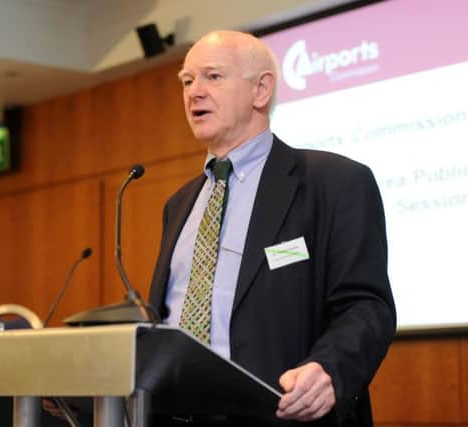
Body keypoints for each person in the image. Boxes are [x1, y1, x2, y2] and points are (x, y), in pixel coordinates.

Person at [147, 30, 396, 426]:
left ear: (261, 90)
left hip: (283, 415)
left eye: (212, 77)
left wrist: (330, 368)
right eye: (187, 80)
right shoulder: (178, 205)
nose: (194, 92)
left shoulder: (334, 183)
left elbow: (366, 305)